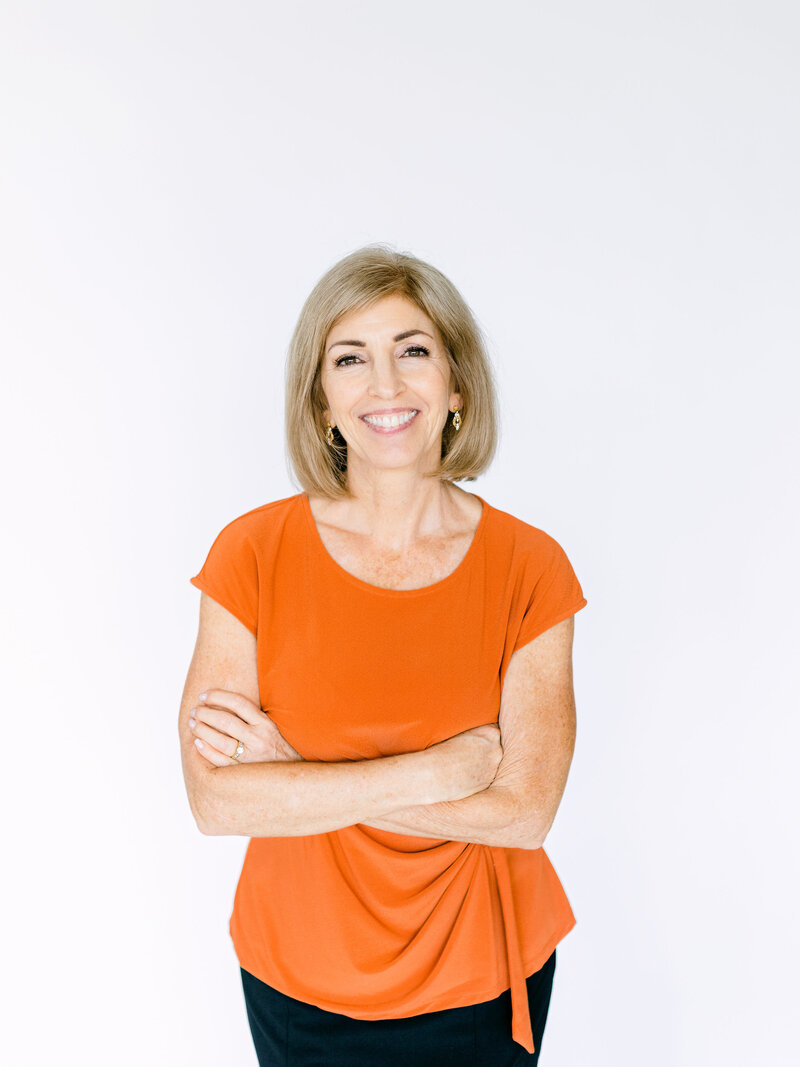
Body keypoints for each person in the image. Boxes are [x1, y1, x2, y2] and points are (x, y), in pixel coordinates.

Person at [179, 244, 588, 1065]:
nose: (387, 385)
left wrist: (295, 772)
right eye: (350, 359)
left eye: (413, 350)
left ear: (456, 385)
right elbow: (217, 803)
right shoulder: (251, 553)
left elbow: (525, 813)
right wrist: (437, 772)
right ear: (322, 401)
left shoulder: (530, 567)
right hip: (297, 974)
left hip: (480, 970)